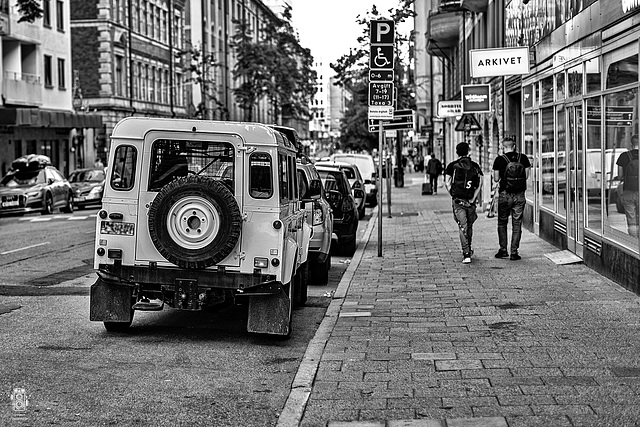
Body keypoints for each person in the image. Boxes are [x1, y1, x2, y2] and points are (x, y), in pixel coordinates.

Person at [492, 136, 532, 261]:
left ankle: (503, 250)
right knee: (517, 224)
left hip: (505, 194)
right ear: (514, 146)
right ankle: (514, 252)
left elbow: (496, 179)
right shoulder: (523, 158)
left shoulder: (499, 160)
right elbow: (526, 176)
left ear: (503, 147)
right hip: (519, 195)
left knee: (502, 222)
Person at [445, 142, 483, 264]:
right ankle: (468, 248)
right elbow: (480, 183)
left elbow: (447, 182)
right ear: (468, 151)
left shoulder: (452, 166)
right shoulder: (475, 166)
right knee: (469, 226)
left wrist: (453, 194)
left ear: (457, 152)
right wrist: (473, 198)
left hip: (458, 201)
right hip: (470, 201)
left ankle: (466, 253)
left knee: (462, 227)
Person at [616, 134, 639, 237]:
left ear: (631, 144)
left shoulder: (624, 156)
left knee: (631, 220)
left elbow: (620, 176)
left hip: (628, 191)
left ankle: (634, 244)